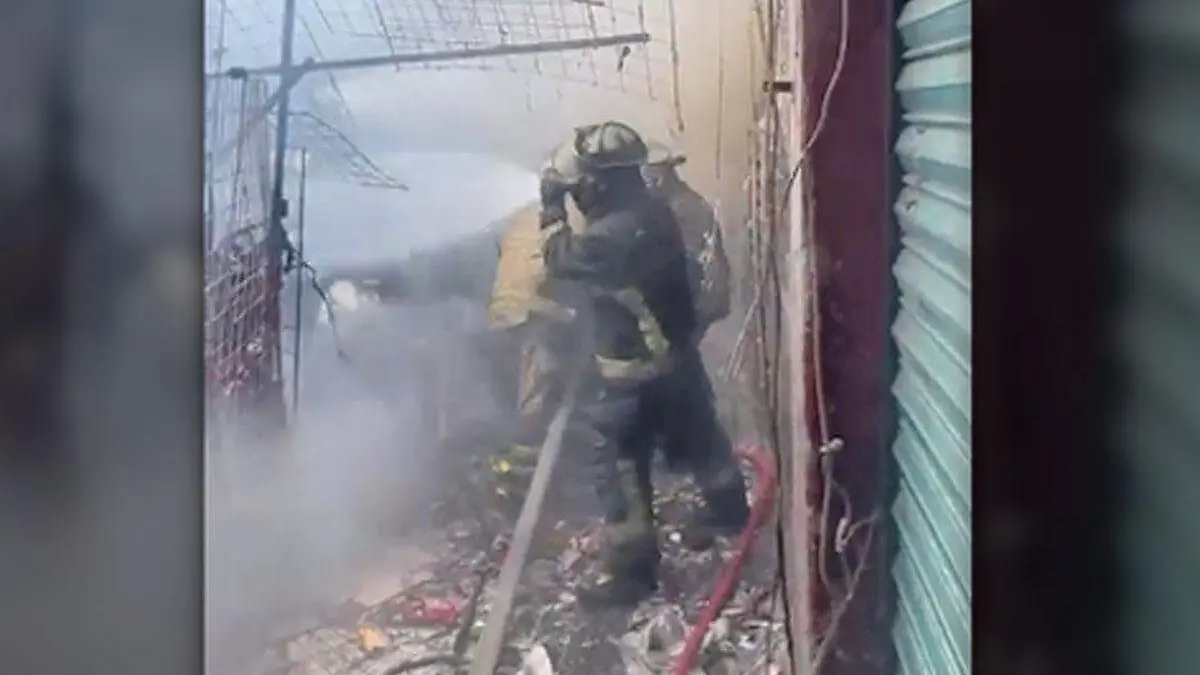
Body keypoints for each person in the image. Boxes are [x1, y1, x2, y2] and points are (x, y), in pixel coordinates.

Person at [536, 121, 750, 607]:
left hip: (634, 378)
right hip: (676, 362)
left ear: (601, 182)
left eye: (584, 183)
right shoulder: (650, 213)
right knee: (700, 439)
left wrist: (551, 205)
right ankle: (729, 511)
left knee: (619, 467)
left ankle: (632, 574)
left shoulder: (611, 235)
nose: (580, 192)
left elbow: (558, 259)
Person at [642, 141, 732, 338]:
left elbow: (691, 263)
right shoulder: (681, 203)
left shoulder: (684, 209)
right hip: (700, 301)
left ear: (660, 177)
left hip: (700, 304)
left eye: (647, 178)